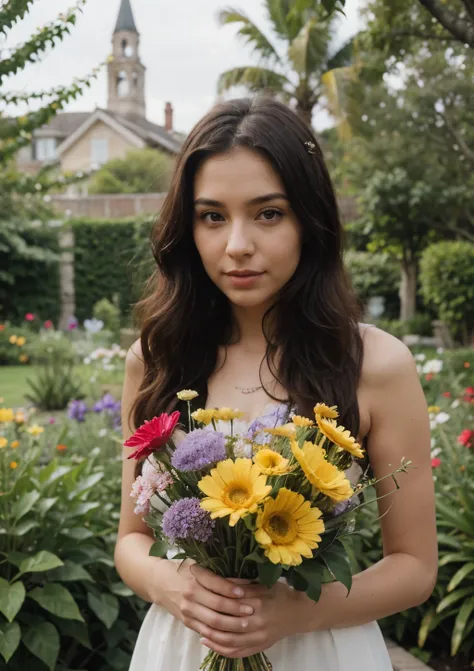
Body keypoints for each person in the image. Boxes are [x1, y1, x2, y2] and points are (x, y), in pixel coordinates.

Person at [115, 96, 437, 670]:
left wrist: (296, 612)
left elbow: (414, 567)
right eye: (212, 216)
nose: (237, 243)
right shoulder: (157, 358)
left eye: (268, 213)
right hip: (184, 646)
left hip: (323, 648)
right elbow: (130, 542)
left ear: (310, 221)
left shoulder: (376, 364)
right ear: (187, 228)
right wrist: (174, 584)